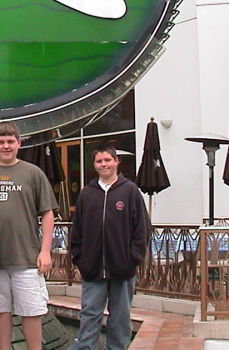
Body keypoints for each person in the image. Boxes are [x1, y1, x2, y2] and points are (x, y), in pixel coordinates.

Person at [0, 122, 57, 350]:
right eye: (1, 142)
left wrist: (45, 251)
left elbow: (47, 213)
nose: (6, 146)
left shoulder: (34, 173)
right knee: (0, 312)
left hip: (27, 258)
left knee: (32, 311)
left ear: (19, 143)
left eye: (10, 141)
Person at [69, 144, 151, 350]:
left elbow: (142, 229)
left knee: (121, 317)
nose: (103, 164)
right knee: (89, 314)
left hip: (122, 269)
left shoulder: (130, 191)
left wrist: (133, 258)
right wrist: (80, 259)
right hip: (92, 268)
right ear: (94, 164)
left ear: (116, 161)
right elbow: (76, 230)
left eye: (107, 160)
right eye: (99, 161)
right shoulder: (87, 194)